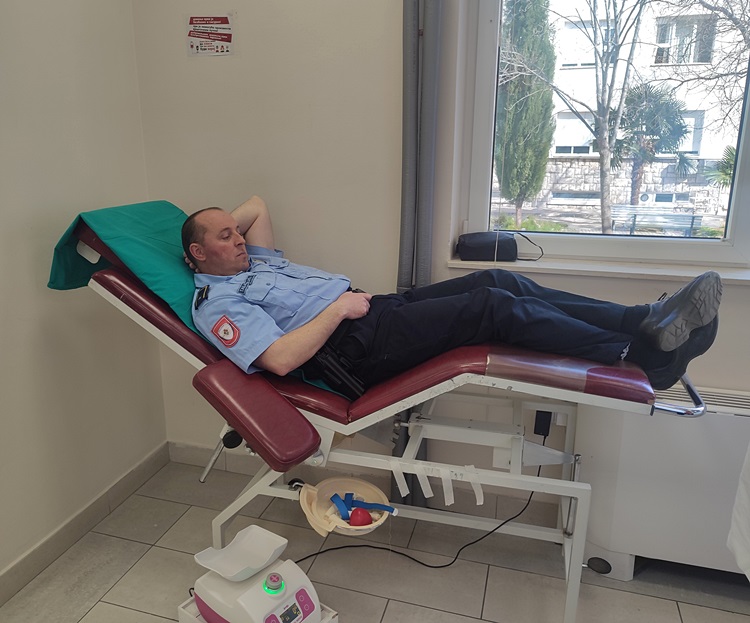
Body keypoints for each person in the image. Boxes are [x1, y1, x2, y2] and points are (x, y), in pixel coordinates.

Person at [182, 196, 722, 399]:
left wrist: (215, 229)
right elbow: (278, 359)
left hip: (377, 311)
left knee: (500, 280)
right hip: (351, 350)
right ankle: (641, 358)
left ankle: (642, 319)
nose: (240, 238)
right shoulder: (215, 304)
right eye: (226, 237)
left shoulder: (255, 262)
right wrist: (339, 308)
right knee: (494, 308)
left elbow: (257, 205)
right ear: (198, 255)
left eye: (236, 232)